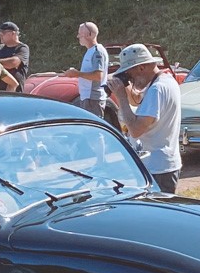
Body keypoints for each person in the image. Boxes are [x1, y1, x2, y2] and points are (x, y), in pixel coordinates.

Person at [107, 43, 182, 194]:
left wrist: (120, 96)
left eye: (130, 73)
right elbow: (136, 100)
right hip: (161, 164)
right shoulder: (164, 81)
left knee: (157, 215)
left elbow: (135, 130)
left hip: (158, 168)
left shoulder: (157, 89)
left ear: (141, 68)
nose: (131, 78)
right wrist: (124, 86)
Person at [61, 21, 109, 116]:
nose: (78, 37)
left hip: (93, 99)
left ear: (90, 35)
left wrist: (77, 73)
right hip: (88, 98)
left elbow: (98, 76)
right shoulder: (91, 51)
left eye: (80, 34)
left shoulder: (97, 51)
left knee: (92, 129)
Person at [0, 22, 31, 90]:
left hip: (15, 93)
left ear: (13, 33)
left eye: (3, 33)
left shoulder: (22, 48)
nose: (0, 35)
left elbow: (13, 63)